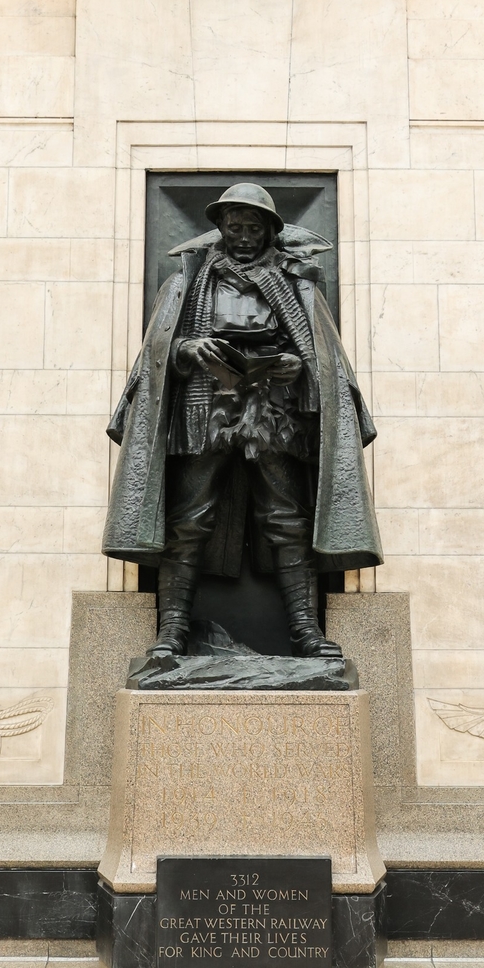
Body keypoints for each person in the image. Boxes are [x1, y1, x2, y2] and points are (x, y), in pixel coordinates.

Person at [103, 183, 381, 659]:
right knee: (188, 520)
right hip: (203, 405)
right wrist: (190, 349)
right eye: (235, 227)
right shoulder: (188, 282)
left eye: (254, 227)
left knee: (287, 520)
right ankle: (170, 633)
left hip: (274, 410)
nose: (245, 236)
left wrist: (298, 365)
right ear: (220, 227)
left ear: (271, 231)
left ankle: (306, 632)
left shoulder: (297, 285)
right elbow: (160, 351)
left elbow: (320, 355)